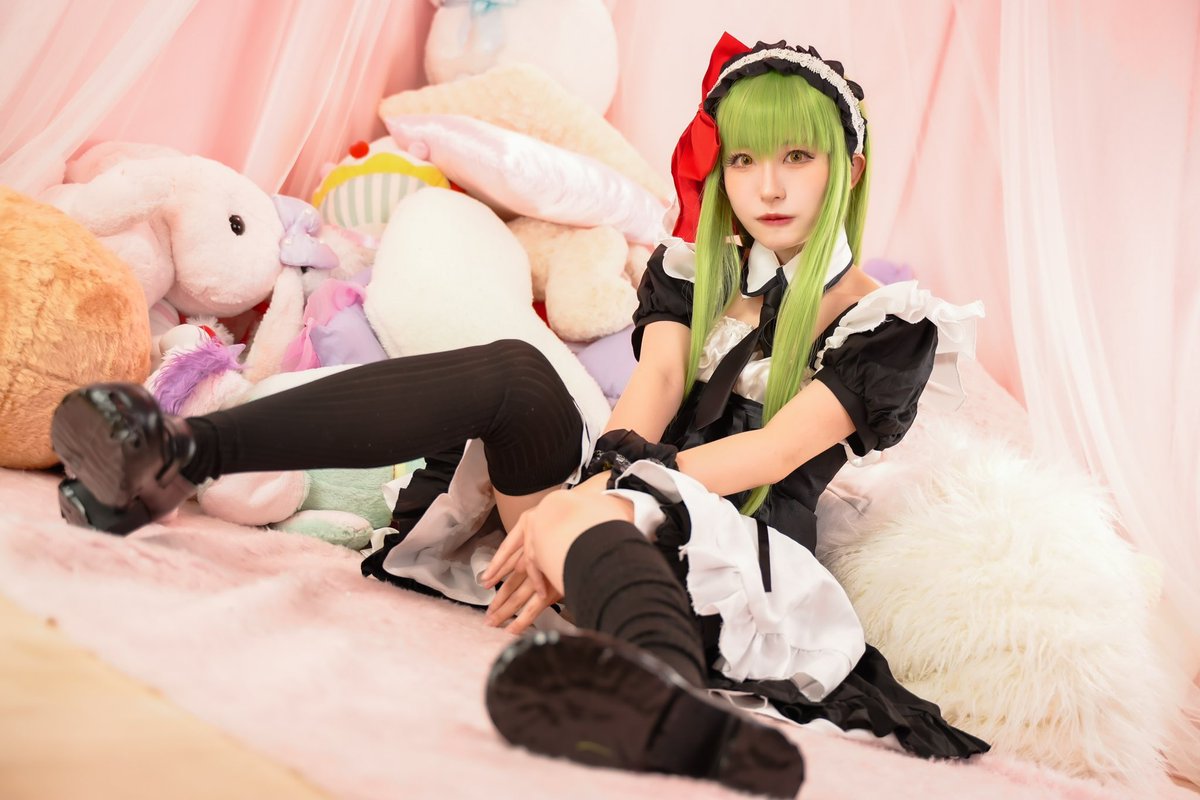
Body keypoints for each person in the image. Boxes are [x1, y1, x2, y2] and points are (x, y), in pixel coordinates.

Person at [51, 33, 988, 799]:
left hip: (730, 556)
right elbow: (656, 387)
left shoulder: (889, 325)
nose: (768, 187)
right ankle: (173, 455)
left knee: (604, 509)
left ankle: (664, 698)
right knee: (517, 375)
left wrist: (603, 500)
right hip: (622, 502)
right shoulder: (697, 270)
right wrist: (594, 480)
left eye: (796, 158)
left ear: (847, 168)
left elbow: (770, 453)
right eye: (744, 160)